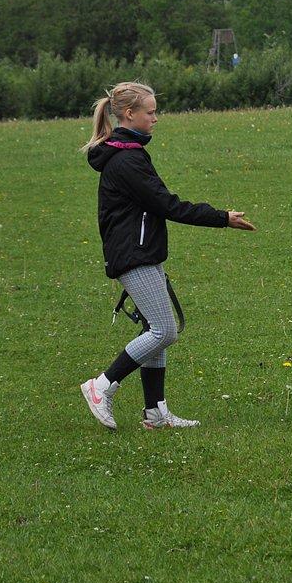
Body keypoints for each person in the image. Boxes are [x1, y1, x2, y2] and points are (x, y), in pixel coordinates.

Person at [80, 81, 255, 431]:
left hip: (141, 252)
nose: (156, 118)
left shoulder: (127, 153)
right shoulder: (127, 159)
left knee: (154, 327)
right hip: (134, 255)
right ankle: (101, 386)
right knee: (164, 330)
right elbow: (167, 204)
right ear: (130, 114)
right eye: (151, 112)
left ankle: (155, 413)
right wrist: (222, 218)